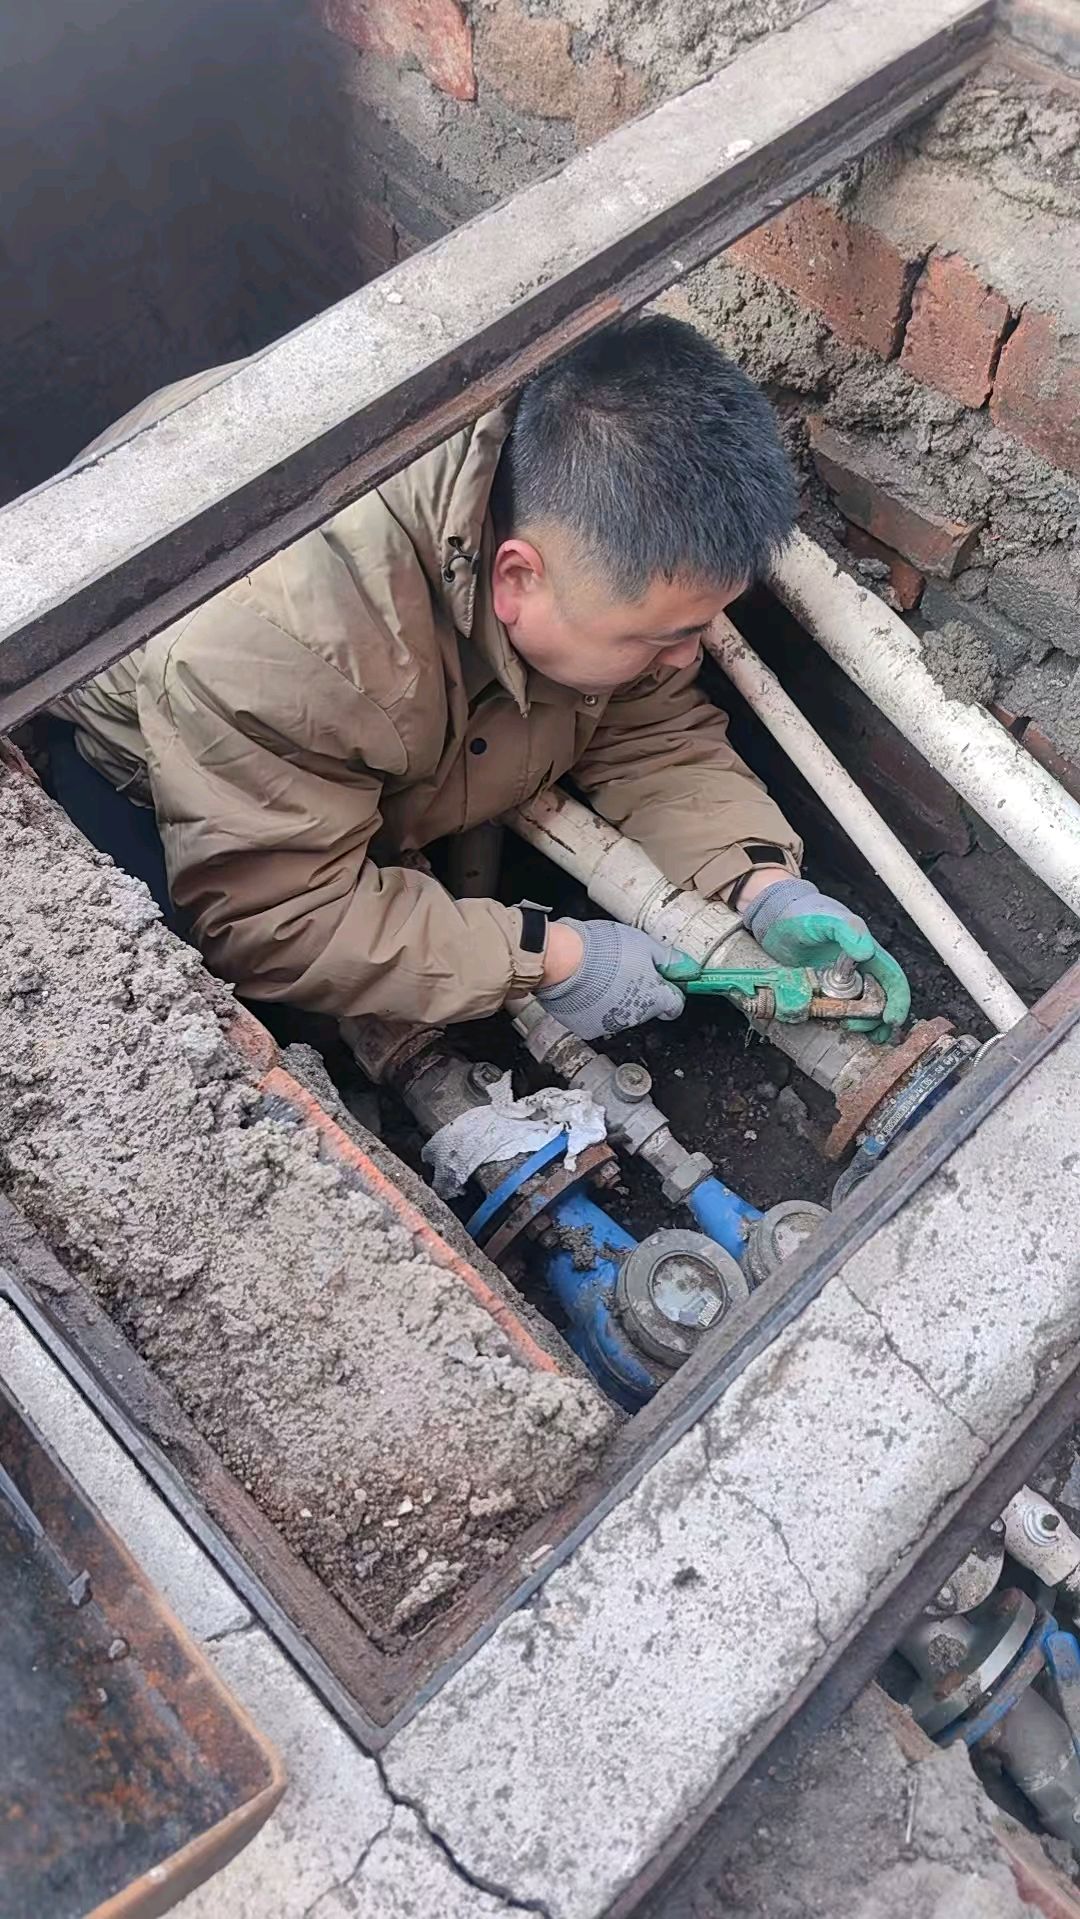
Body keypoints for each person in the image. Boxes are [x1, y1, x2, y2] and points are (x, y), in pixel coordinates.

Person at [54, 315, 909, 1045]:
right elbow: (276, 921)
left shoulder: (575, 505)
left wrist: (763, 883)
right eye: (668, 637)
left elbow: (645, 724)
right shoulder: (279, 648)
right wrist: (553, 958)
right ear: (517, 577)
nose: (691, 657)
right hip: (144, 751)